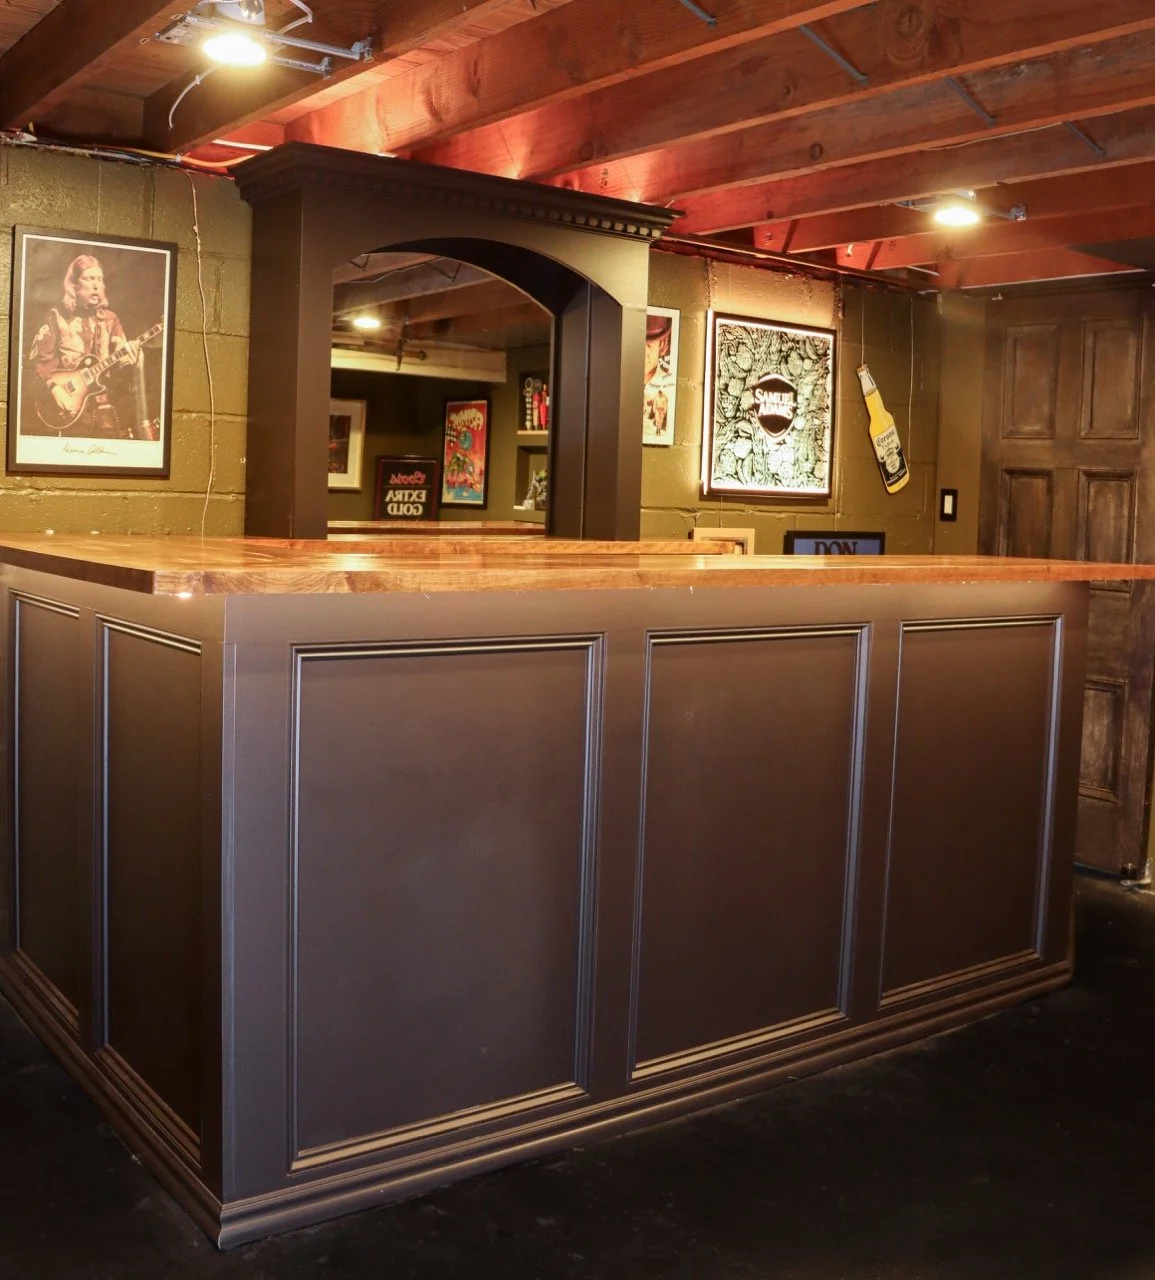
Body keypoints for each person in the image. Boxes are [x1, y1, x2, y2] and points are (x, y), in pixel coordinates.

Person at [24, 253, 154, 439]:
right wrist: (54, 388)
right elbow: (40, 361)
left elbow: (120, 370)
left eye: (99, 279)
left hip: (105, 409)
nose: (96, 285)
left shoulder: (110, 319)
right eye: (89, 278)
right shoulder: (56, 316)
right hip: (68, 409)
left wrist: (129, 360)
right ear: (74, 285)